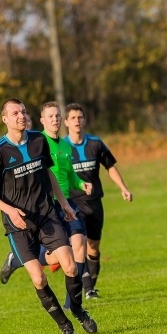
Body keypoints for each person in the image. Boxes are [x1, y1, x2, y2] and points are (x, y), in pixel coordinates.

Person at [0, 98, 97, 334]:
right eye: (15, 113)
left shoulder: (38, 140)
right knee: (39, 277)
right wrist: (10, 210)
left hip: (47, 215)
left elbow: (48, 173)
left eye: (23, 112)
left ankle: (77, 310)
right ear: (5, 119)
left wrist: (64, 204)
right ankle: (64, 325)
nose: (21, 116)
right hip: (18, 225)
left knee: (70, 265)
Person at [0, 102, 94, 301]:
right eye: (50, 116)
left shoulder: (65, 144)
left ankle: (74, 300)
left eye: (58, 115)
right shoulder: (36, 141)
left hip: (65, 200)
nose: (55, 119)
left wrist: (80, 183)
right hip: (45, 205)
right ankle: (17, 260)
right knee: (55, 256)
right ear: (42, 120)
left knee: (79, 243)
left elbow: (68, 174)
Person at [64, 102, 133, 297]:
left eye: (80, 117)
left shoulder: (95, 143)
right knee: (80, 244)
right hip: (73, 203)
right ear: (67, 122)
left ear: (84, 120)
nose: (77, 121)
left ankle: (90, 286)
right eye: (73, 118)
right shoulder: (62, 148)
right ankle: (87, 289)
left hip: (94, 203)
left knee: (93, 248)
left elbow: (110, 167)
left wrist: (123, 188)